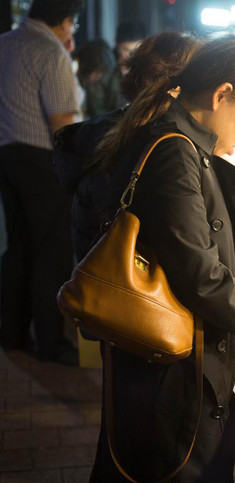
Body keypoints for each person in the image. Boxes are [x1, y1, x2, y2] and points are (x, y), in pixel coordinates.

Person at [89, 35, 235, 481]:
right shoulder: (176, 152)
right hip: (170, 376)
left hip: (164, 366)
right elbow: (200, 277)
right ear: (222, 95)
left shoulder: (179, 142)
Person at [54, 31, 201, 262]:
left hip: (96, 278)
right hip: (122, 288)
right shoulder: (153, 142)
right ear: (176, 87)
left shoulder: (116, 128)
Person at [0, 0, 84, 365]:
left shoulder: (4, 43)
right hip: (41, 160)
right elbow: (63, 126)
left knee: (18, 245)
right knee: (52, 252)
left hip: (6, 157)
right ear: (66, 20)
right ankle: (52, 344)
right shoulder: (50, 53)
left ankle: (12, 334)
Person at [73, 39, 125, 117]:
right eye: (95, 72)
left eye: (101, 72)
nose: (97, 76)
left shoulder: (112, 80)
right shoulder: (78, 78)